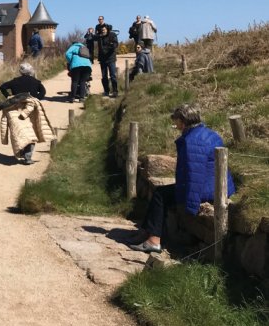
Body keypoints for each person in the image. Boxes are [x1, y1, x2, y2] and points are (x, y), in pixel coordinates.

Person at [128, 105, 236, 253]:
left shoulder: (191, 142)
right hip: (219, 185)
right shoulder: (209, 133)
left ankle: (153, 240)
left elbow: (195, 175)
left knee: (160, 195)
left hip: (207, 190)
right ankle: (147, 232)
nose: (175, 125)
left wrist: (191, 206)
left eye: (176, 121)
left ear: (183, 121)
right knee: (162, 192)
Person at [0, 66, 54, 165]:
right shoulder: (36, 81)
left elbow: (2, 87)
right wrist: (36, 98)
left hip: (15, 108)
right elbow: (43, 92)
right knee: (31, 133)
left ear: (21, 72)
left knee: (18, 132)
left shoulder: (15, 81)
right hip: (31, 110)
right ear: (31, 71)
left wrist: (9, 96)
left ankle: (21, 152)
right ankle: (27, 157)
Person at [97, 24, 119, 97]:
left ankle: (115, 91)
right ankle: (106, 91)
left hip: (111, 58)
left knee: (113, 75)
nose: (103, 31)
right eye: (102, 30)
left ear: (107, 29)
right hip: (102, 59)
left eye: (104, 29)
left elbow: (116, 44)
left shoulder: (112, 35)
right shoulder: (100, 36)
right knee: (104, 76)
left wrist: (111, 46)